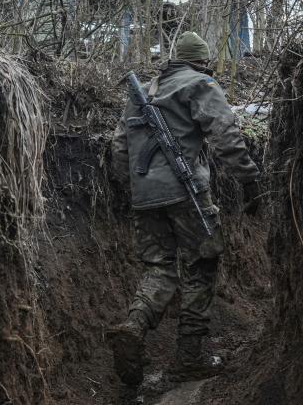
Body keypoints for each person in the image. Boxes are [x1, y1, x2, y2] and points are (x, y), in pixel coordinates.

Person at [107, 31, 261, 385]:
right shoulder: (200, 83)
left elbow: (119, 147)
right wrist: (248, 178)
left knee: (159, 269)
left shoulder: (143, 91)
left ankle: (134, 325)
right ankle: (190, 357)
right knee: (201, 264)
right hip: (186, 192)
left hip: (144, 196)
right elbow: (224, 133)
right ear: (203, 61)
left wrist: (134, 189)